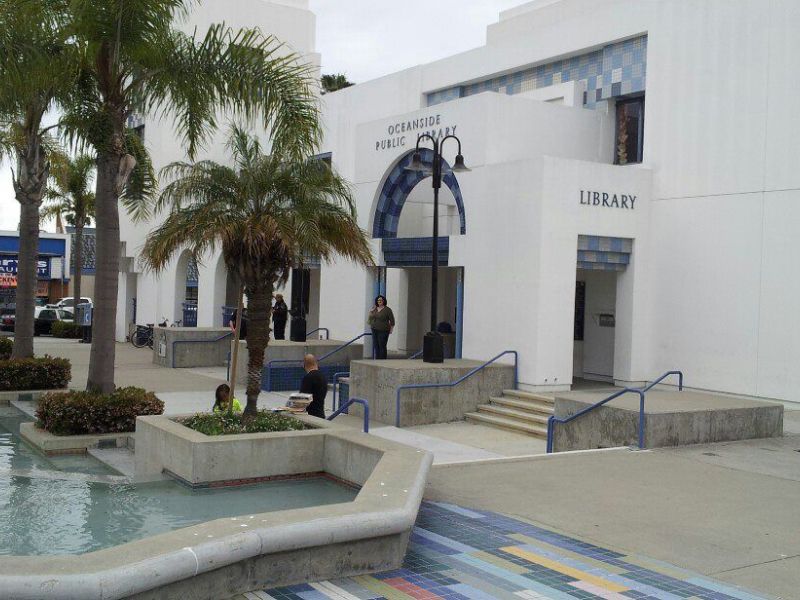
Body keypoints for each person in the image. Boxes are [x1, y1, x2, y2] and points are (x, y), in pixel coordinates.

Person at [299, 354, 327, 419]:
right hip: (320, 414)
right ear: (316, 363)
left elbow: (302, 399)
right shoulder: (323, 376)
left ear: (304, 365)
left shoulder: (308, 378)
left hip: (311, 415)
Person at [368, 295, 394, 360]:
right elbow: (369, 320)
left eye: (381, 300)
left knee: (382, 345)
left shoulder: (387, 310)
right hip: (374, 329)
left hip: (383, 330)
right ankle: (377, 360)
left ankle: (382, 360)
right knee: (376, 346)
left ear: (384, 301)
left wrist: (391, 329)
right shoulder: (375, 309)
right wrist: (371, 312)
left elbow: (392, 321)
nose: (379, 301)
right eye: (378, 300)